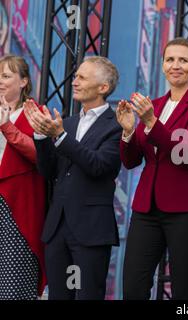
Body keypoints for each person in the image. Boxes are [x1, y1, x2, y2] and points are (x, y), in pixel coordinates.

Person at [118, 37, 188, 300]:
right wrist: (128, 132)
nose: (176, 65)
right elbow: (131, 161)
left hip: (187, 208)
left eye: (183, 60)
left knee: (184, 289)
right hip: (146, 208)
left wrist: (150, 120)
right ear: (162, 66)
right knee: (133, 287)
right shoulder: (156, 104)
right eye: (170, 60)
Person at [24, 56, 121, 300]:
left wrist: (61, 137)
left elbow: (99, 166)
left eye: (82, 77)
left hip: (90, 229)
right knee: (59, 295)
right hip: (58, 228)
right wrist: (40, 136)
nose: (75, 82)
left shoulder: (117, 125)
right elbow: (48, 172)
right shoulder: (67, 122)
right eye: (76, 76)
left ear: (103, 88)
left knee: (87, 295)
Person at [0, 55, 46, 300]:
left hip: (15, 205)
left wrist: (7, 126)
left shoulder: (34, 113)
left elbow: (40, 156)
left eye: (6, 76)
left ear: (24, 81)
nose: (0, 81)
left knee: (13, 282)